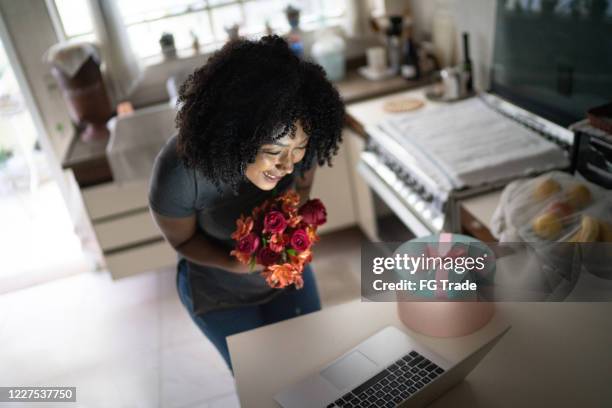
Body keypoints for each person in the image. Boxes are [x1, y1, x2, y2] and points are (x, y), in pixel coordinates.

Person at [148, 35, 345, 372]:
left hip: (284, 283)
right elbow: (182, 240)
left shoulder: (302, 137)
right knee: (264, 383)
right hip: (220, 296)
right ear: (236, 134)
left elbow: (303, 187)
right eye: (273, 152)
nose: (288, 165)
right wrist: (234, 263)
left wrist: (293, 225)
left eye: (297, 150)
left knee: (313, 370)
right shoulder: (181, 173)